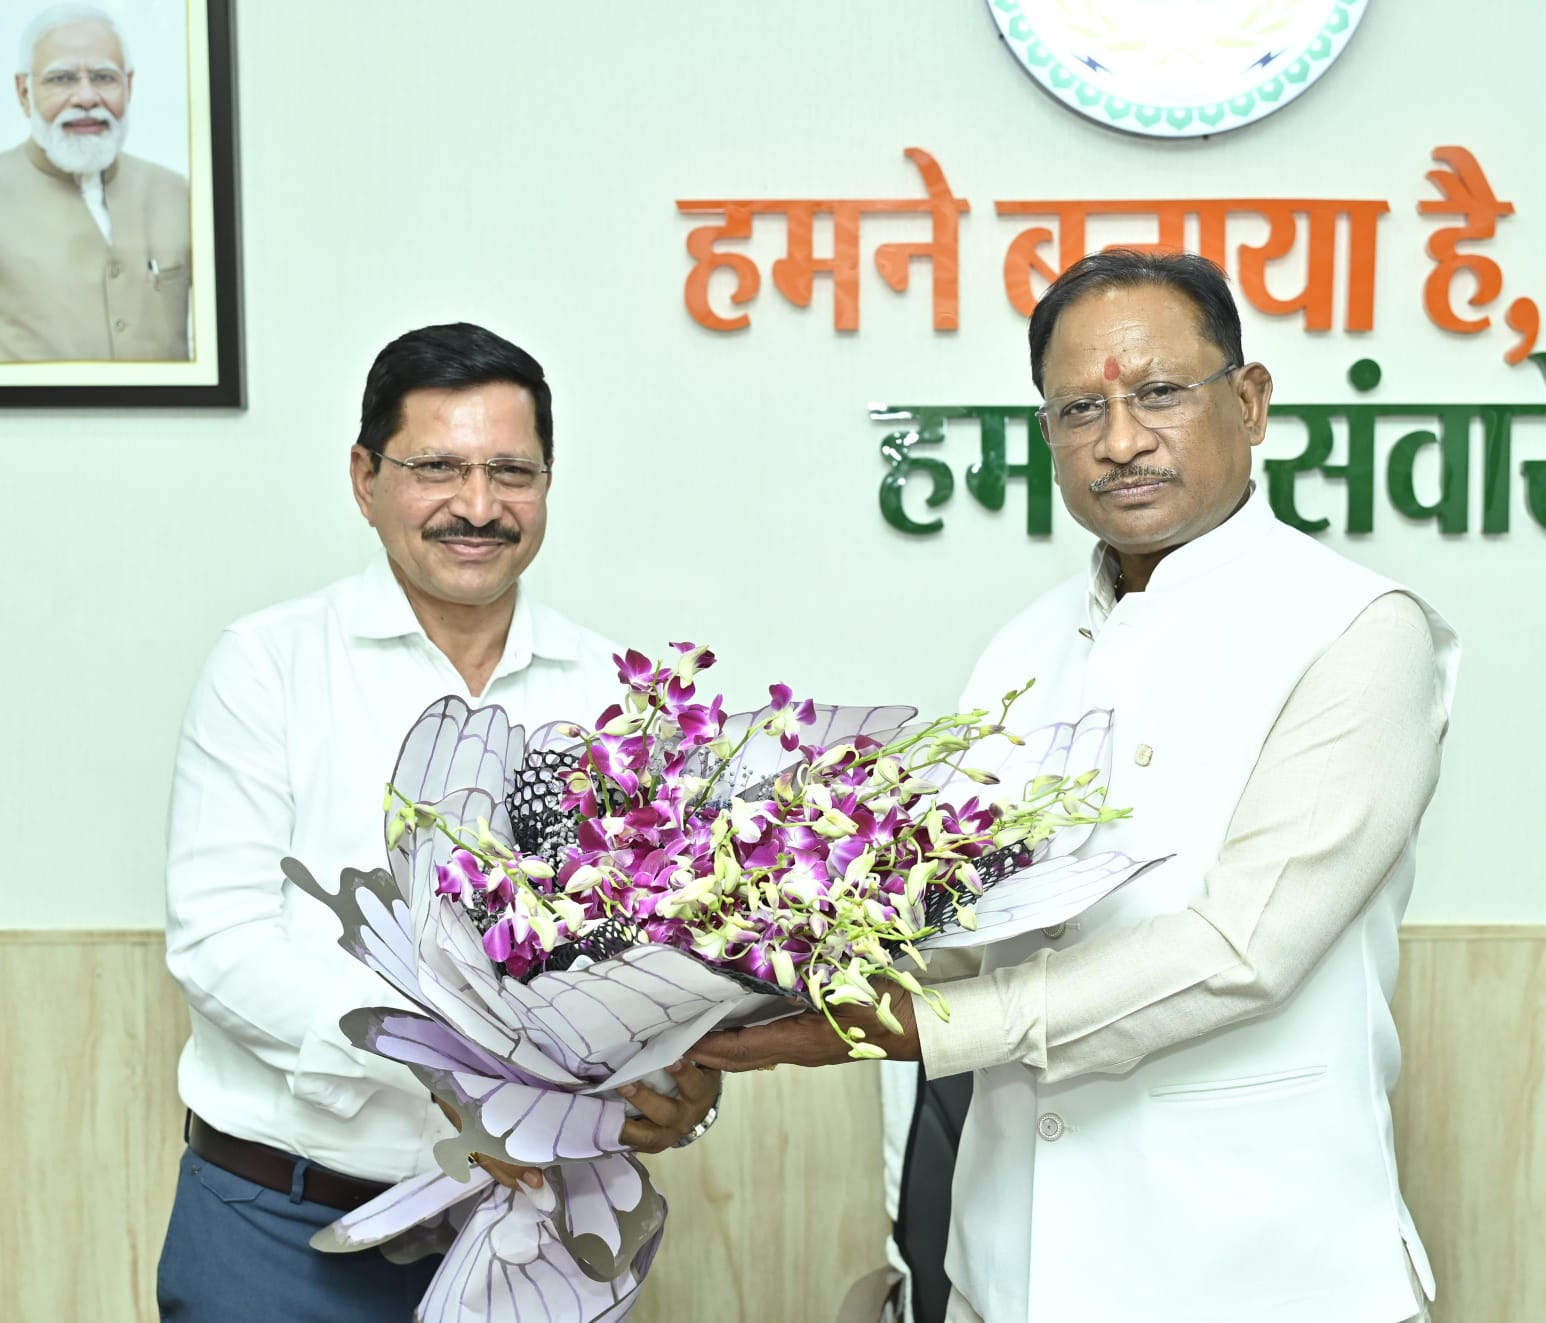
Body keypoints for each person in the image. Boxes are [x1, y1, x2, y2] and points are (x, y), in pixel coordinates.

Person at [693, 250, 1456, 1323]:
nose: (1121, 440)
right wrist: (719, 989)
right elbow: (954, 924)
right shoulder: (1023, 648)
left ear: (1249, 402)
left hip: (1260, 1272)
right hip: (1012, 1268)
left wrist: (917, 1028)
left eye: (1160, 392)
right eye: (1079, 409)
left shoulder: (1358, 630)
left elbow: (1241, 953)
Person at [158, 323, 721, 1321]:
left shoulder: (617, 695)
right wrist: (460, 1067)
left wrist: (683, 1080)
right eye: (438, 468)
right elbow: (219, 941)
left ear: (547, 483)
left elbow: (661, 949)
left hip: (543, 1235)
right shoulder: (269, 665)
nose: (478, 505)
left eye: (511, 471)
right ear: (365, 477)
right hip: (280, 1233)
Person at [0, 4, 189, 362]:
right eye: (61, 79)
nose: (87, 98)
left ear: (128, 86)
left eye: (103, 77)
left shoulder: (178, 195)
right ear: (24, 93)